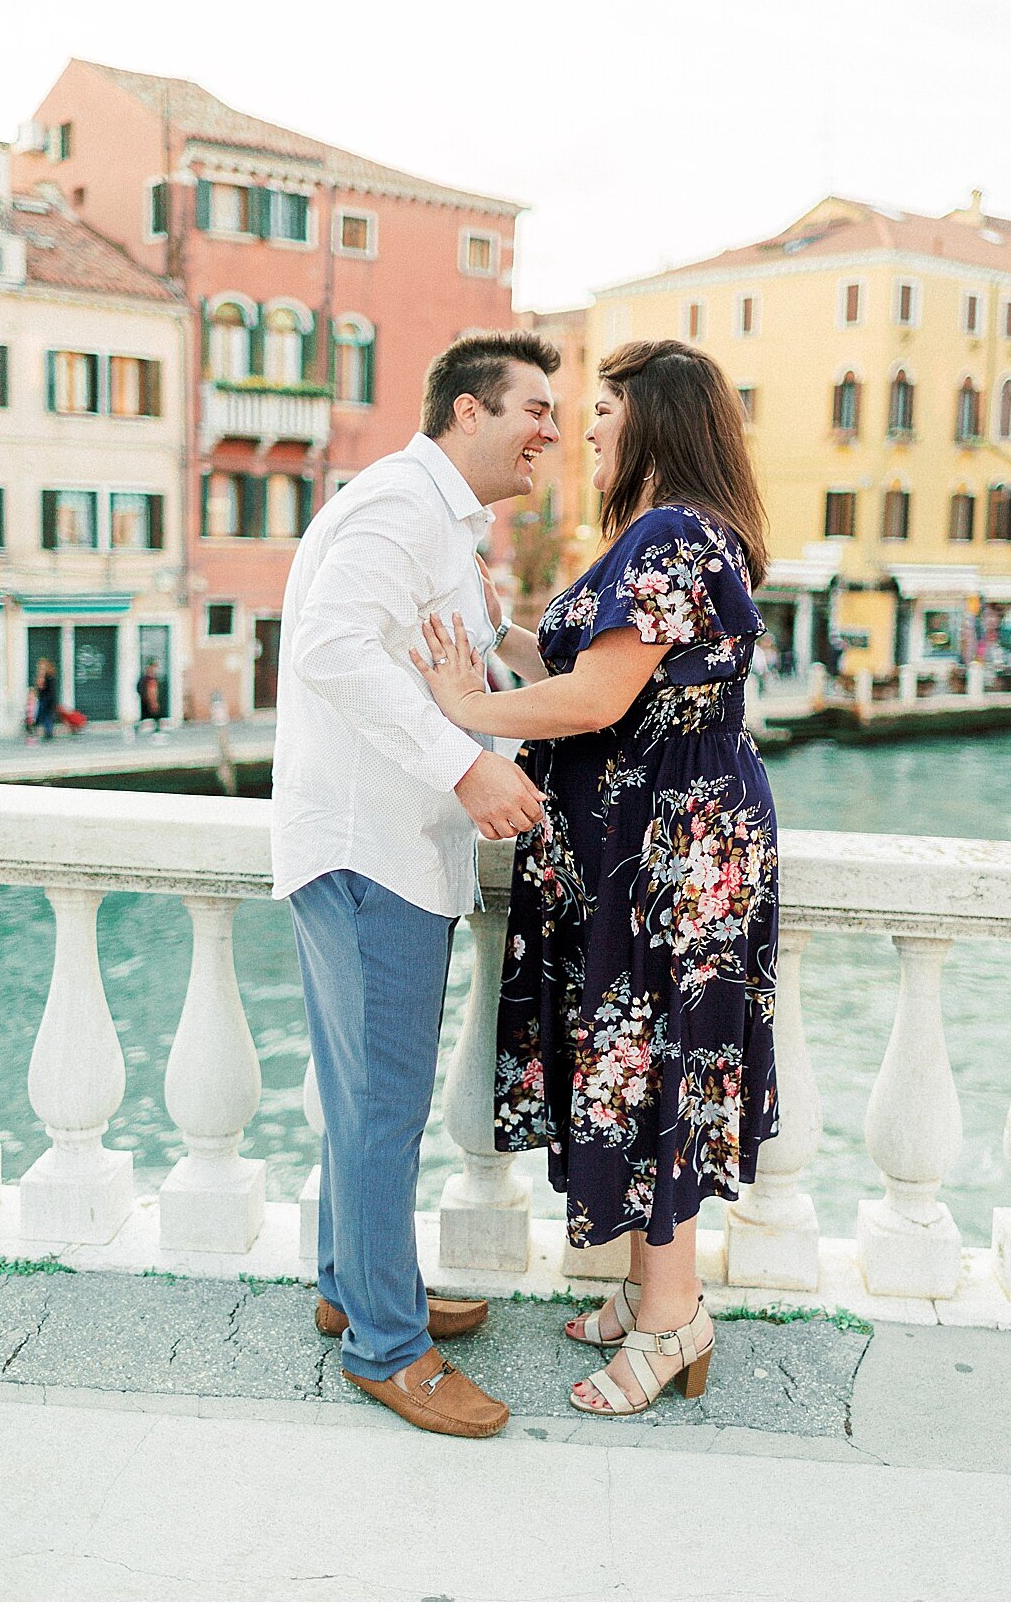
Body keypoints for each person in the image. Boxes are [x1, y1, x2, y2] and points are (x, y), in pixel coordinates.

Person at [413, 339, 780, 1418]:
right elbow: (590, 666)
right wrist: (494, 635)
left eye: (607, 405)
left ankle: (674, 1322)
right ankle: (644, 1290)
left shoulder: (670, 535)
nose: (587, 424)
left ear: (657, 418)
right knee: (653, 1056)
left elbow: (596, 702)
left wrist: (463, 709)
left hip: (664, 855)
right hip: (674, 842)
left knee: (652, 1064)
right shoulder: (696, 533)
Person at [271, 330, 560, 1441]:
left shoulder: (443, 522)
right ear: (467, 413)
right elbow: (334, 649)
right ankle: (389, 1347)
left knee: (363, 1100)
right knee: (384, 1106)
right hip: (368, 848)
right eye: (534, 407)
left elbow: (486, 646)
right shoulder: (400, 509)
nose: (548, 429)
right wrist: (468, 763)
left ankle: (356, 1283)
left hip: (379, 847)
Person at [136, 660, 165, 735]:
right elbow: (140, 688)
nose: (154, 669)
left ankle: (157, 728)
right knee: (146, 715)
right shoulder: (145, 679)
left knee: (155, 715)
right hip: (146, 700)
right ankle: (138, 728)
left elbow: (156, 689)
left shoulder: (154, 678)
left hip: (152, 700)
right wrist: (144, 697)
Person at [33, 659, 58, 741]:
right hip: (46, 699)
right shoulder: (48, 676)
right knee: (45, 716)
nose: (39, 667)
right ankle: (47, 732)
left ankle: (48, 732)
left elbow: (42, 687)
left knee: (45, 716)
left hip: (46, 699)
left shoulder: (47, 677)